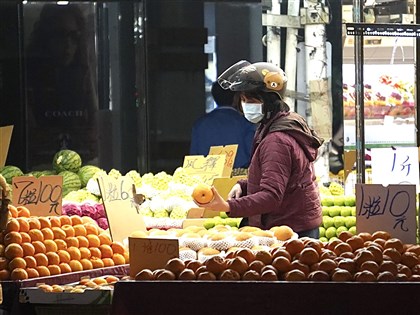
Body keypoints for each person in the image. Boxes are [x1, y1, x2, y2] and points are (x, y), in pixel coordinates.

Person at [195, 60, 324, 238]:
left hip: (289, 232)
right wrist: (244, 186)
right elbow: (279, 178)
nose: (246, 105)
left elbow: (271, 195)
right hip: (291, 225)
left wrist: (228, 207)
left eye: (252, 100)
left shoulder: (276, 140)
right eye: (243, 99)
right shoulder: (275, 125)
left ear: (270, 101)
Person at [25, 3, 98, 169]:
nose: (67, 44)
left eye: (74, 36)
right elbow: (31, 136)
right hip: (38, 167)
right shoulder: (28, 78)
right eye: (60, 35)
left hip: (82, 164)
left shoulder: (83, 74)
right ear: (46, 37)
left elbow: (94, 132)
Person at [190, 81, 256, 169]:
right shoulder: (245, 123)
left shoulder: (200, 124)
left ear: (214, 97)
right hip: (238, 176)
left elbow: (193, 159)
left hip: (207, 176)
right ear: (236, 98)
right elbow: (253, 155)